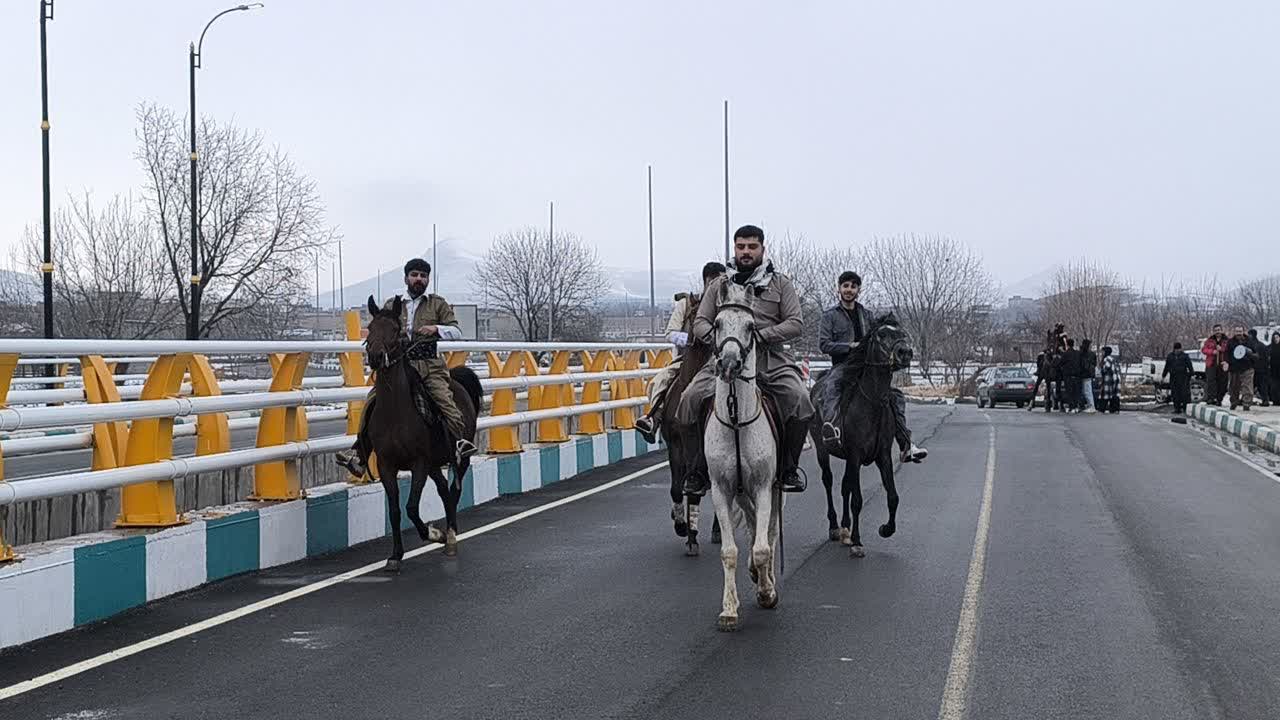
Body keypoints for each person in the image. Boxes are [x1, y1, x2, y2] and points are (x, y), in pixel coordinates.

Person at [675, 225, 813, 494]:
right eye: (741, 247)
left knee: (801, 400)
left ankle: (788, 468)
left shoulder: (780, 284)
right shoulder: (719, 285)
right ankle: (697, 471)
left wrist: (761, 335)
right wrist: (721, 339)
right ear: (735, 249)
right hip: (726, 357)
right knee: (688, 400)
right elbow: (701, 322)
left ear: (762, 248)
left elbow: (795, 323)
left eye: (752, 246)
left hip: (768, 358)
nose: (746, 252)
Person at [336, 258, 474, 477]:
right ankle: (359, 455)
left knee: (445, 401)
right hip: (397, 366)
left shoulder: (437, 304)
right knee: (371, 404)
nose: (418, 279)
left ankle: (459, 444)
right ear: (406, 278)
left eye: (423, 276)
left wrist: (437, 329)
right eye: (415, 275)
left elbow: (457, 331)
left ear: (427, 280)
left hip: (428, 366)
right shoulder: (393, 304)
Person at [816, 271, 927, 463]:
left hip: (867, 368)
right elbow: (824, 345)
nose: (849, 290)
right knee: (831, 386)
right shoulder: (830, 316)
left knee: (895, 396)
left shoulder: (867, 315)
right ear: (839, 289)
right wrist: (849, 346)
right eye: (845, 286)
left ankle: (906, 444)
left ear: (859, 290)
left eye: (853, 286)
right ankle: (831, 428)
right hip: (843, 366)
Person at [634, 261, 726, 443]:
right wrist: (689, 340)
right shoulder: (686, 304)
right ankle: (654, 418)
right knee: (659, 381)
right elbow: (670, 333)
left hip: (719, 359)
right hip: (688, 358)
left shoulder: (726, 305)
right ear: (706, 281)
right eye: (712, 282)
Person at [1225, 325, 1256, 411]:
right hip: (1234, 368)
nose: (1239, 333)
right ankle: (1234, 402)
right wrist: (1227, 363)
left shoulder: (1249, 341)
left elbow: (1256, 354)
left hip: (1247, 367)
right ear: (1234, 332)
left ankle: (1246, 404)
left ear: (1243, 331)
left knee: (1247, 387)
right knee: (1234, 387)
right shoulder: (1230, 342)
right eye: (1237, 331)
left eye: (1240, 331)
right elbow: (1227, 354)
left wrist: (1250, 356)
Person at [1162, 342, 1194, 415]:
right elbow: (1166, 367)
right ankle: (1177, 408)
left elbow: (1189, 365)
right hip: (1173, 377)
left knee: (1184, 393)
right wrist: (1163, 376)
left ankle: (1185, 408)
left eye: (1179, 349)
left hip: (1183, 377)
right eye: (1176, 349)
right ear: (1174, 349)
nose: (1177, 351)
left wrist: (1191, 374)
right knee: (1175, 394)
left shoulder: (1185, 356)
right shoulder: (1170, 356)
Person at [1202, 325, 1228, 406]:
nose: (1217, 332)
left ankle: (1219, 399)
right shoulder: (1209, 340)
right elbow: (1204, 350)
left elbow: (1230, 349)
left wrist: (1222, 349)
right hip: (1212, 364)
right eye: (1216, 330)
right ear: (1214, 331)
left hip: (1222, 364)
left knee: (1222, 382)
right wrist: (1212, 351)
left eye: (1219, 330)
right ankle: (1211, 398)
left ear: (1221, 330)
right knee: (1211, 381)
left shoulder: (1226, 340)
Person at [1248, 329, 1271, 407]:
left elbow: (1254, 357)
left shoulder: (1252, 344)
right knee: (1261, 386)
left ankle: (1248, 400)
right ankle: (1265, 400)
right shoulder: (1261, 344)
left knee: (1252, 385)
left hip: (1256, 369)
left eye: (1249, 334)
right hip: (1262, 369)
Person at [1059, 338, 1082, 413]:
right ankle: (1076, 406)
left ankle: (1071, 407)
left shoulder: (1065, 354)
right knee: (1076, 392)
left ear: (1067, 345)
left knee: (1069, 392)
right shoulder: (1078, 353)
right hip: (1077, 375)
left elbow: (1061, 363)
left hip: (1068, 376)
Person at [1099, 346, 1121, 413]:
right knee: (1114, 394)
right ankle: (1115, 409)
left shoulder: (1107, 359)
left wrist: (1101, 370)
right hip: (1115, 378)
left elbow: (1106, 368)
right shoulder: (1113, 358)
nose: (1102, 353)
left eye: (1102, 352)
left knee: (1105, 395)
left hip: (1109, 379)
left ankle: (1102, 409)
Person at [1079, 339, 1098, 413]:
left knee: (1086, 391)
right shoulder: (1092, 354)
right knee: (1088, 390)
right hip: (1090, 374)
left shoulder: (1082, 354)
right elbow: (1094, 363)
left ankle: (1091, 405)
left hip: (1084, 374)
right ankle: (1091, 405)